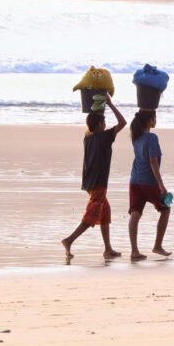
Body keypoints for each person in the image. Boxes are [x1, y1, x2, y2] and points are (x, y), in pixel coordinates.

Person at [61, 96, 127, 261]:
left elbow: (92, 122)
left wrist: (96, 106)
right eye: (103, 123)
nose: (105, 125)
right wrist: (110, 104)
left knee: (105, 212)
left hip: (90, 182)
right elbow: (123, 122)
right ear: (98, 125)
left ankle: (108, 249)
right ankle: (69, 240)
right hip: (98, 182)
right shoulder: (104, 137)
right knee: (92, 215)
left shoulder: (88, 137)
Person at [127, 109, 171, 262]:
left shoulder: (136, 137)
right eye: (155, 118)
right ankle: (157, 245)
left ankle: (134, 251)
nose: (156, 120)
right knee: (165, 210)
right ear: (150, 121)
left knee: (135, 213)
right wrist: (162, 186)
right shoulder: (152, 138)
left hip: (134, 181)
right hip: (149, 182)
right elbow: (153, 162)